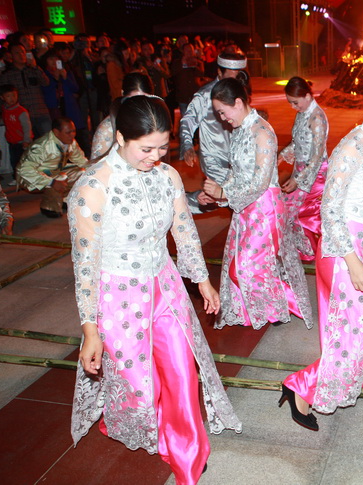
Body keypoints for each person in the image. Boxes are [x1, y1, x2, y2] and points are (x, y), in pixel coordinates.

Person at [67, 95, 241, 485]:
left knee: (182, 371)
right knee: (138, 388)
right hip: (117, 297)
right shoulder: (93, 188)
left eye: (163, 147)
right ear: (119, 136)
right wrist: (90, 329)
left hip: (165, 287)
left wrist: (201, 280)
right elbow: (85, 265)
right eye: (146, 148)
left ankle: (188, 455)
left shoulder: (167, 176)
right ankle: (128, 421)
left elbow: (182, 228)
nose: (156, 156)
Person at [281, 74, 363, 431]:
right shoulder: (353, 146)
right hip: (344, 250)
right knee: (359, 332)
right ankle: (300, 387)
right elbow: (330, 209)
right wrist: (353, 261)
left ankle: (348, 380)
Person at [200, 77, 312, 330]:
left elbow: (260, 182)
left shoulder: (262, 132)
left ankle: (278, 310)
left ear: (238, 102)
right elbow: (235, 174)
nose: (222, 118)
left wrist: (224, 193)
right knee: (242, 265)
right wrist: (218, 196)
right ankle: (269, 309)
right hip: (245, 209)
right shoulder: (239, 132)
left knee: (248, 266)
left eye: (223, 111)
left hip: (264, 208)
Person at [179, 53, 247, 213]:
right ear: (219, 72)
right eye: (229, 78)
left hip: (236, 160)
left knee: (234, 202)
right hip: (214, 161)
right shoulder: (205, 95)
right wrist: (187, 145)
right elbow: (187, 120)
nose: (233, 84)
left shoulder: (238, 92)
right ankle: (176, 204)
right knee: (232, 200)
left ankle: (187, 201)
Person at [278, 76, 329, 259]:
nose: (293, 107)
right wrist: (282, 155)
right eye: (290, 103)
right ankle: (302, 250)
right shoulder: (302, 114)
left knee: (300, 211)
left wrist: (298, 180)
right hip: (301, 170)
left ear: (307, 96)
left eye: (295, 102)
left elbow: (316, 156)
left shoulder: (317, 117)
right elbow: (297, 142)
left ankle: (311, 251)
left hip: (315, 174)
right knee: (289, 209)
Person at [16, 117, 87, 218]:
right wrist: (51, 182)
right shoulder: (42, 145)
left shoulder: (71, 142)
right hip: (28, 176)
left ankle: (64, 200)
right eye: (68, 132)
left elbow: (81, 160)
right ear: (56, 132)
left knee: (82, 173)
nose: (72, 135)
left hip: (54, 171)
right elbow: (25, 170)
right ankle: (49, 206)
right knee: (60, 178)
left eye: (73, 131)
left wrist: (95, 170)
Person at [90, 72, 154, 160]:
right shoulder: (107, 128)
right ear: (122, 94)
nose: (138, 106)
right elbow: (96, 167)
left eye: (144, 100)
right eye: (133, 100)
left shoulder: (155, 122)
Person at [0, 43, 52, 138]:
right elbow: (4, 94)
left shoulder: (33, 69)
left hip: (40, 111)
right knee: (28, 146)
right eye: (17, 53)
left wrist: (35, 67)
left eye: (23, 52)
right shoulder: (7, 74)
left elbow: (46, 82)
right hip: (21, 115)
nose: (21, 55)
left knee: (48, 141)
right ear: (11, 55)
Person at [0, 84, 32, 176]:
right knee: (14, 160)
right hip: (12, 140)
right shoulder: (5, 109)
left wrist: (26, 140)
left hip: (21, 141)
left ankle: (21, 178)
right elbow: (6, 121)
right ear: (2, 97)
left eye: (14, 95)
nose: (12, 98)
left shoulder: (21, 111)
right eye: (8, 96)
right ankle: (17, 178)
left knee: (21, 161)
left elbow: (27, 127)